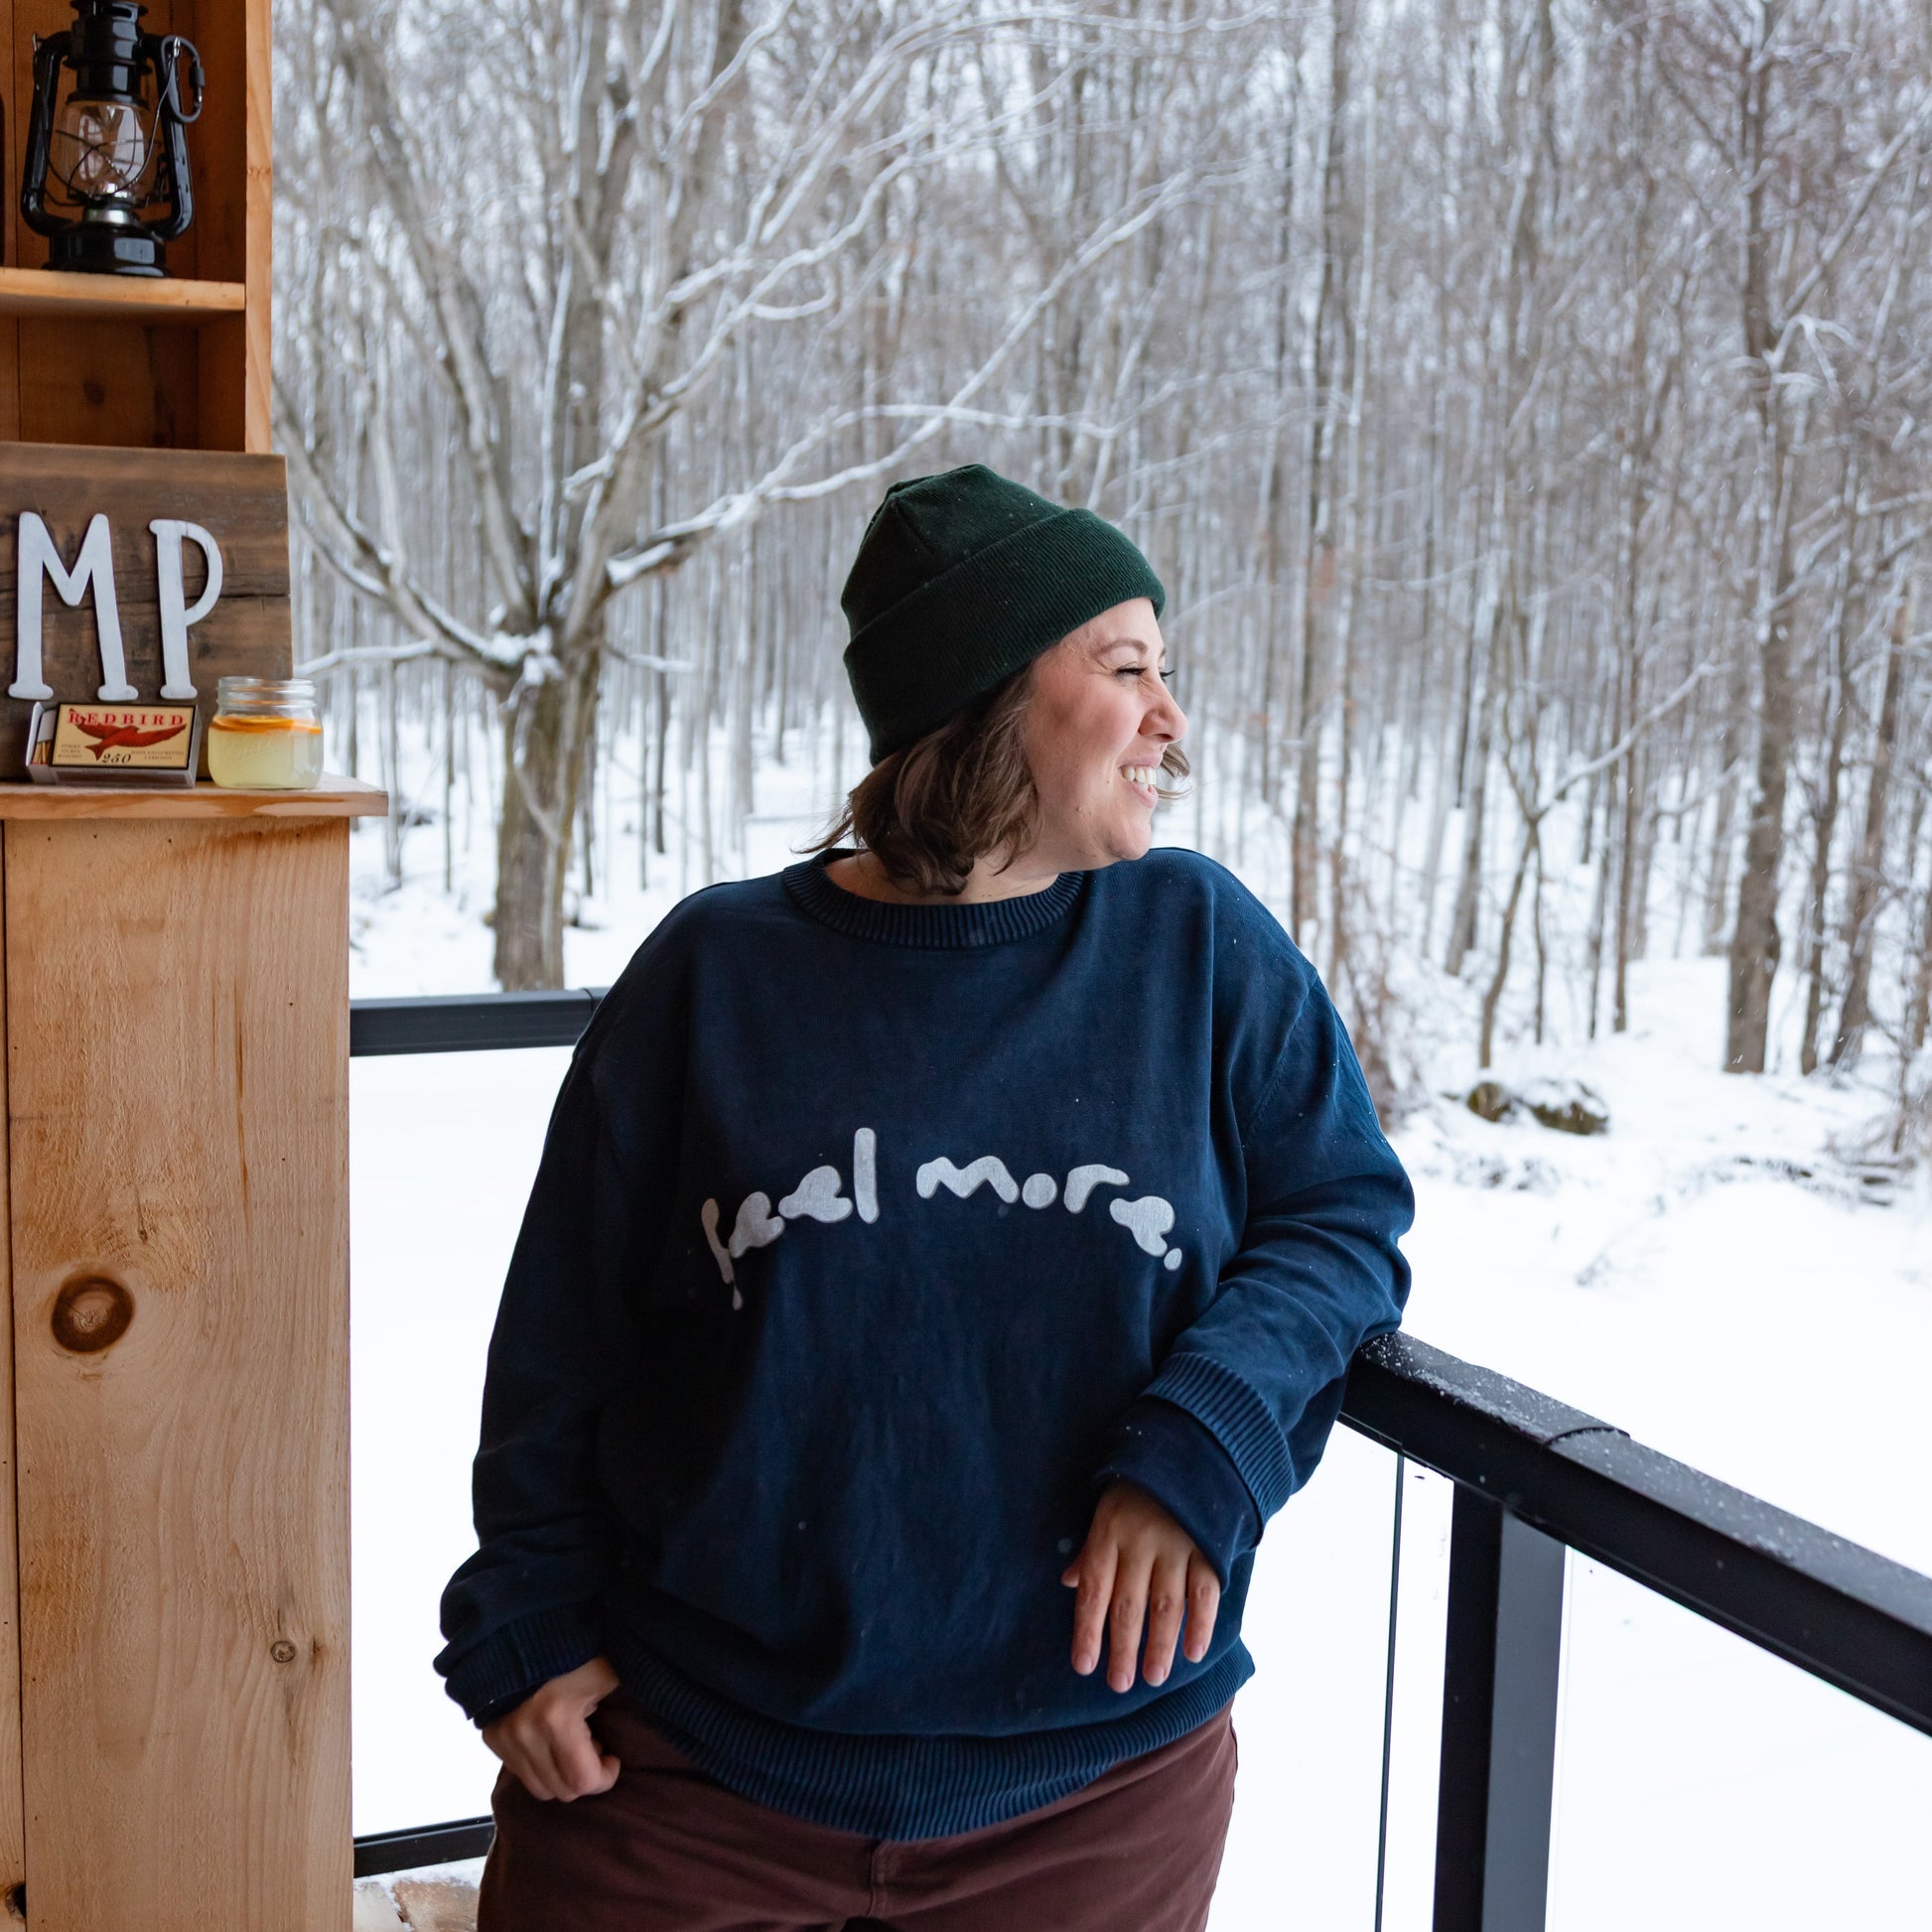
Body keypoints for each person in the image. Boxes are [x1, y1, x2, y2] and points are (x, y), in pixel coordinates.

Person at [435, 463, 1414, 1931]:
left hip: (1094, 1794)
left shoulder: (1200, 948)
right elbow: (564, 1333)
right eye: (1127, 666)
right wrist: (522, 1617)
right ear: (986, 693)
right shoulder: (717, 974)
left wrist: (1198, 1438)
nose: (1172, 720)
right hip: (691, 1770)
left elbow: (1340, 1223)